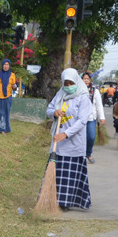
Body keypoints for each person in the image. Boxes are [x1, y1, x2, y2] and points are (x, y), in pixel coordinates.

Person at [46, 68, 93, 210]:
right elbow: (48, 109)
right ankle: (52, 199)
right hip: (58, 143)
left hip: (73, 142)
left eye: (70, 83)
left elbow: (82, 121)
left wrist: (65, 134)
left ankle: (66, 202)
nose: (68, 86)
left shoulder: (83, 98)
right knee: (57, 172)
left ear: (76, 81)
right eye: (65, 83)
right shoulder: (60, 94)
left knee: (69, 173)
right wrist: (54, 112)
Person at [81, 72, 105, 163]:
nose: (86, 80)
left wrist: (102, 117)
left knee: (91, 136)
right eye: (84, 79)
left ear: (90, 80)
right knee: (81, 138)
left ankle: (88, 153)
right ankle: (81, 155)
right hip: (80, 118)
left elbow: (99, 105)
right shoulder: (78, 90)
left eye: (87, 79)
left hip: (91, 118)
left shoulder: (95, 91)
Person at [0, 58, 17, 134]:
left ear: (9, 66)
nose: (6, 66)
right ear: (2, 65)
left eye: (7, 65)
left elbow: (13, 85)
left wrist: (14, 87)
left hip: (7, 96)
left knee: (5, 113)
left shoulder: (12, 75)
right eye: (4, 64)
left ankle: (3, 129)